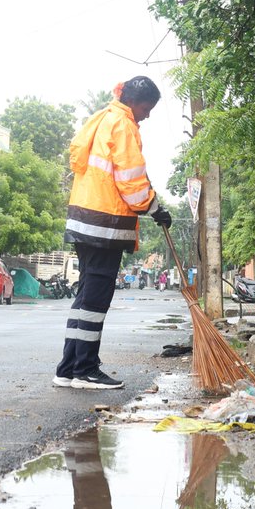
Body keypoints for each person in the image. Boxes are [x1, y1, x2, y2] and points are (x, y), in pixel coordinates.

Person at [53, 76, 171, 389]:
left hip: (83, 218)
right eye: (147, 108)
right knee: (96, 297)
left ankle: (68, 368)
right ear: (135, 102)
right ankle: (86, 369)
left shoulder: (100, 118)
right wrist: (154, 208)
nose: (147, 115)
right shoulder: (123, 125)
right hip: (104, 223)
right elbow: (131, 180)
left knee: (84, 295)